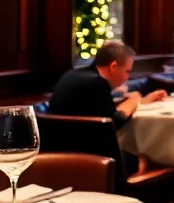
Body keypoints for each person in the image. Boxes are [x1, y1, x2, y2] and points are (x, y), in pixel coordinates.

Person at [47, 40, 167, 175]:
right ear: (114, 66)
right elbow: (115, 122)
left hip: (57, 153)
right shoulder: (97, 83)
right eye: (127, 71)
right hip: (88, 157)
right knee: (148, 158)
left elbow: (100, 109)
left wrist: (141, 101)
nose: (127, 77)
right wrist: (133, 102)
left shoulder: (75, 75)